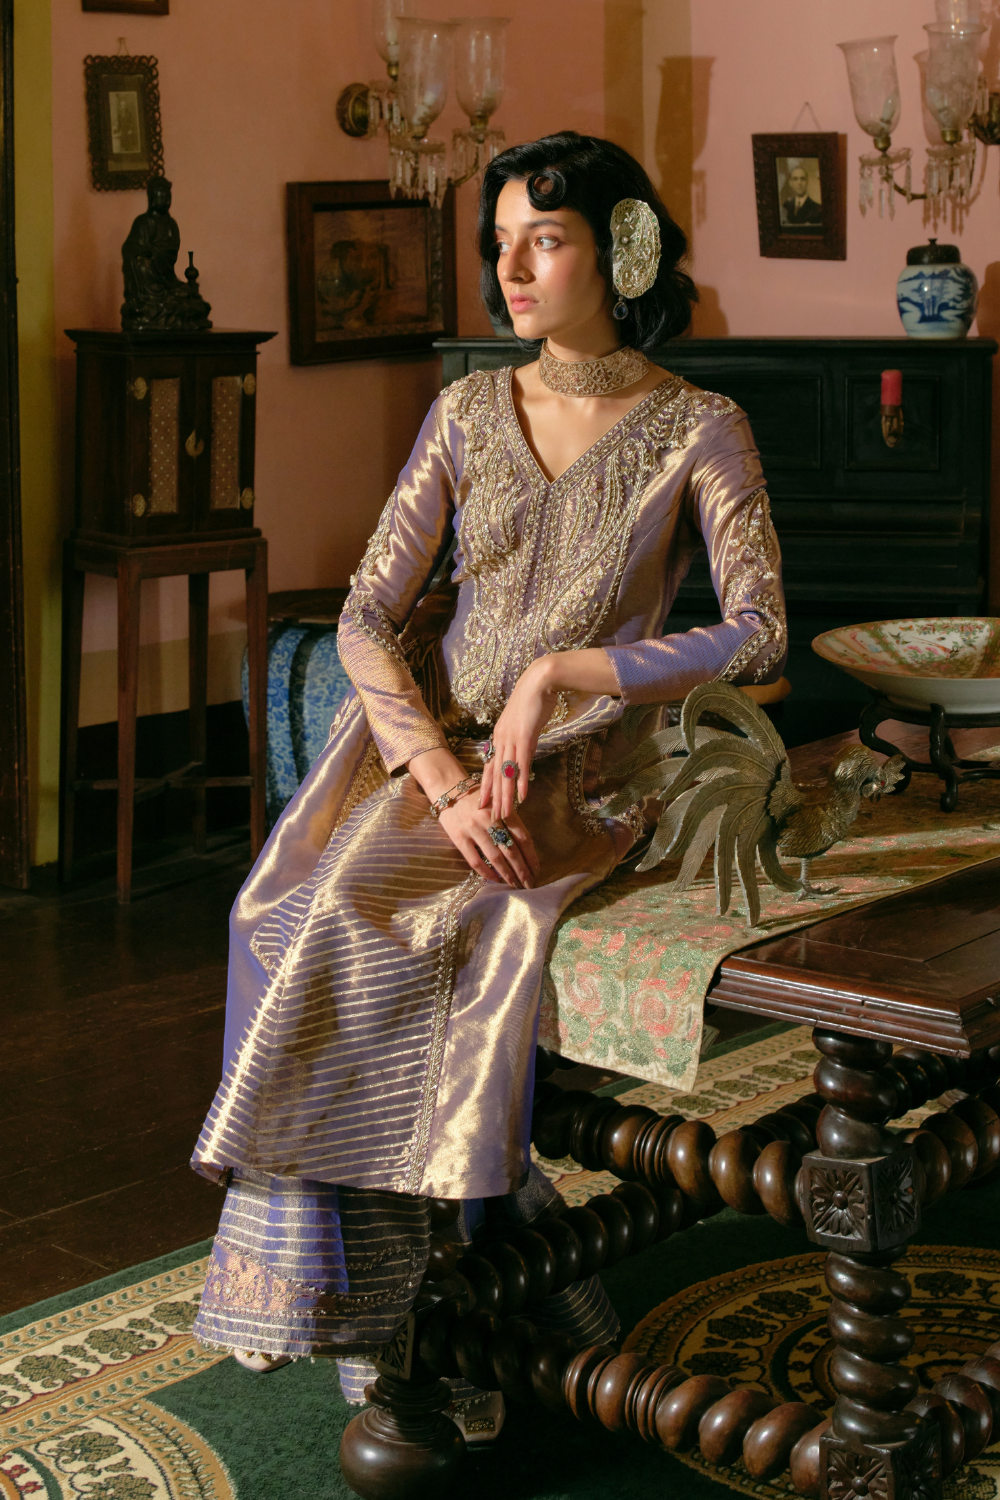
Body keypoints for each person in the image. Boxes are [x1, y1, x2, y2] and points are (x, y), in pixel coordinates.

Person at [189, 131, 787, 1431]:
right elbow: (365, 612)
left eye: (545, 240)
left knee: (388, 925)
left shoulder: (699, 427)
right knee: (282, 916)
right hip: (432, 753)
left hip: (589, 771)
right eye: (501, 242)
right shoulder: (466, 411)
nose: (511, 269)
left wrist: (569, 672)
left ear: (624, 251)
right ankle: (414, 1300)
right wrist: (436, 769)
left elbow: (760, 632)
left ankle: (418, 1315)